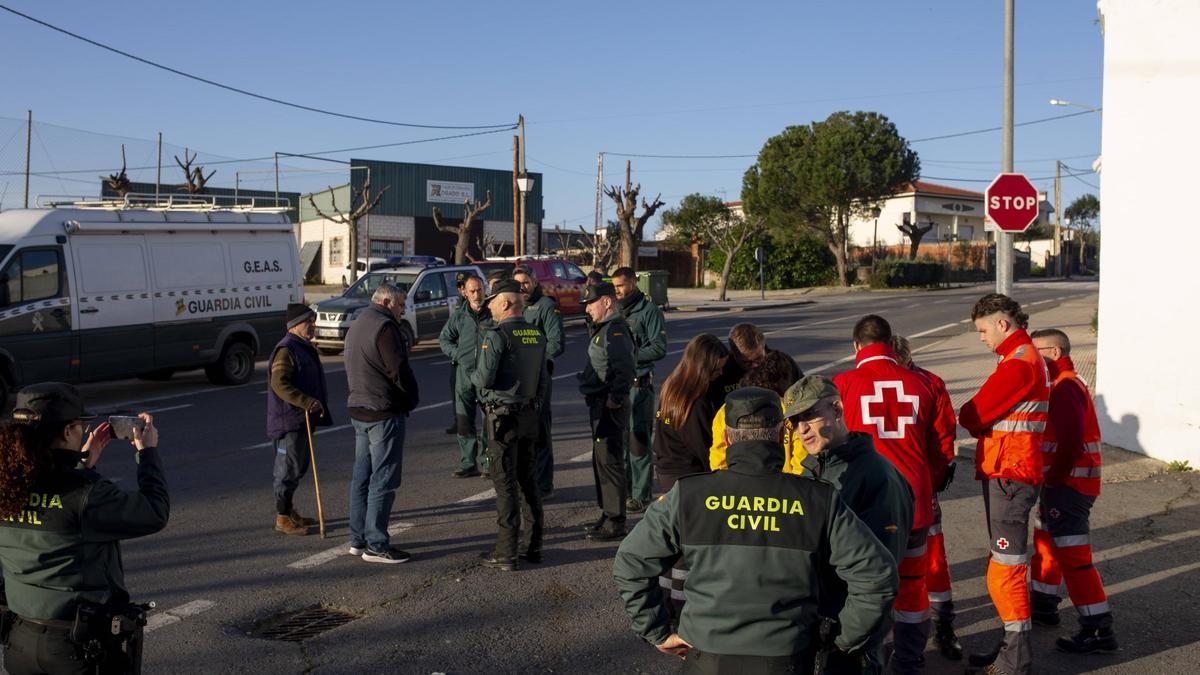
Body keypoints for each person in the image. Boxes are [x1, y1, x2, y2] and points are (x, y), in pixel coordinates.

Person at [613, 387, 898, 674]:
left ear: (726, 437)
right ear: (779, 436)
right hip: (787, 659)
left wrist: (656, 631)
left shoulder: (688, 494)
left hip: (707, 659)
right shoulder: (817, 499)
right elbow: (877, 574)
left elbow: (631, 561)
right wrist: (843, 638)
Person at [0, 384, 168, 674]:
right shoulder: (87, 494)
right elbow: (154, 512)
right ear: (67, 432)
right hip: (78, 649)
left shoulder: (8, 485)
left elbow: (51, 499)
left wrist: (80, 467)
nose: (81, 433)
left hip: (21, 643)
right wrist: (147, 453)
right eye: (79, 426)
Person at [783, 375, 915, 674]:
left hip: (849, 640)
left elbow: (879, 577)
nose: (801, 429)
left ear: (837, 409)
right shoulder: (810, 473)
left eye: (810, 416)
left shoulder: (879, 478)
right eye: (795, 421)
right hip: (817, 631)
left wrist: (846, 641)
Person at [831, 315, 939, 674]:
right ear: (892, 345)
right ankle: (910, 660)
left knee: (863, 586)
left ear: (856, 347)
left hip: (862, 507)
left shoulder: (843, 384)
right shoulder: (924, 384)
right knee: (912, 584)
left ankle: (867, 658)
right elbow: (941, 449)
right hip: (915, 504)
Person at [958, 293, 1049, 675]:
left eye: (982, 330)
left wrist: (968, 414)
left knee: (1006, 567)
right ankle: (1008, 649)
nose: (980, 338)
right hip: (1012, 470)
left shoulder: (1017, 365)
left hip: (1009, 473)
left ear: (1002, 323)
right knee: (1004, 563)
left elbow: (972, 414)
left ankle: (1014, 660)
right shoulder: (1023, 358)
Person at [1028, 328, 1117, 654]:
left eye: (1036, 352)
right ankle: (1044, 603)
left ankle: (1097, 629)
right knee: (1048, 544)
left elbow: (1069, 442)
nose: (1031, 358)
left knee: (1074, 559)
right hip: (1063, 485)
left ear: (1052, 352)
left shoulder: (1064, 388)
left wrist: (1053, 479)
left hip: (1067, 486)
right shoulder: (1065, 383)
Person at [891, 335, 964, 661]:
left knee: (928, 559)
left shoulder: (928, 383)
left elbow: (943, 438)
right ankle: (938, 626)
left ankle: (942, 624)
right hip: (918, 488)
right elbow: (944, 441)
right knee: (929, 558)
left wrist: (931, 482)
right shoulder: (929, 383)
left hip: (899, 490)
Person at [471, 279, 547, 571]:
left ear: (504, 303)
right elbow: (543, 380)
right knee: (530, 482)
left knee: (505, 485)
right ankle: (534, 545)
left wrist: (475, 375)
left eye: (492, 300)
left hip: (502, 420)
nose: (488, 305)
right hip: (529, 415)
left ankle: (506, 551)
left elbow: (484, 379)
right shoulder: (536, 334)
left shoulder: (498, 335)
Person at [652, 334, 728, 622]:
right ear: (702, 367)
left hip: (669, 473)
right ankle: (680, 609)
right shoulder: (696, 403)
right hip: (689, 477)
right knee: (688, 547)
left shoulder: (673, 387)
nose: (721, 375)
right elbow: (707, 450)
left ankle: (667, 602)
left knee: (674, 544)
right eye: (717, 369)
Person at [344, 282, 420, 564]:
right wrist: (411, 398)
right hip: (382, 412)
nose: (403, 310)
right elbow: (398, 369)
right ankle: (376, 543)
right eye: (401, 305)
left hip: (359, 408)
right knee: (383, 479)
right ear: (387, 302)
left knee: (361, 477)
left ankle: (358, 538)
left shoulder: (359, 322)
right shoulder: (385, 328)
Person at [267, 303, 333, 537]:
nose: (313, 325)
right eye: (309, 321)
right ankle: (282, 516)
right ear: (295, 326)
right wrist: (306, 401)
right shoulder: (286, 349)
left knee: (299, 466)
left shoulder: (301, 346)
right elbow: (279, 383)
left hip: (302, 420)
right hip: (290, 421)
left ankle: (289, 510)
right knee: (287, 469)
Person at [577, 281, 636, 541]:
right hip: (599, 403)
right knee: (601, 461)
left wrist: (616, 397)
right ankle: (607, 513)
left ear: (607, 301)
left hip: (608, 405)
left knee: (610, 462)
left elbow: (624, 369)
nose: (587, 308)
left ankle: (616, 521)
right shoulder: (604, 329)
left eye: (591, 303)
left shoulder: (615, 331)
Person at [611, 267, 668, 514]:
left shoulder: (650, 311)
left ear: (634, 283)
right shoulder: (616, 311)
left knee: (638, 441)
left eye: (621, 286)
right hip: (618, 387)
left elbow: (658, 347)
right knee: (620, 443)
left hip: (639, 386)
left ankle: (641, 495)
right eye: (614, 287)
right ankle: (625, 491)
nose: (617, 291)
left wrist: (630, 357)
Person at [512, 265, 565, 499]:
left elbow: (556, 343)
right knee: (521, 433)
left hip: (538, 379)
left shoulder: (546, 307)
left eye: (525, 282)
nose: (521, 287)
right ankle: (527, 481)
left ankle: (544, 484)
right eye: (518, 284)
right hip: (518, 381)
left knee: (540, 432)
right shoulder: (515, 307)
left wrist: (537, 362)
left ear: (534, 282)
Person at [709, 350, 806, 474]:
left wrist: (728, 486)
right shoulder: (790, 410)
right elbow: (802, 462)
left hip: (735, 487)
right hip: (782, 487)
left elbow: (719, 459)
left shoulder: (727, 410)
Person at [439, 274, 493, 478]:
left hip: (488, 377)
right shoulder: (459, 316)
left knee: (490, 421)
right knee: (464, 421)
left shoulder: (492, 313)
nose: (477, 294)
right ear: (465, 292)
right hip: (464, 376)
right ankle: (468, 462)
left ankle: (488, 462)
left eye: (479, 290)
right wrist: (457, 354)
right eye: (472, 291)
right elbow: (444, 339)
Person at [715, 323, 802, 397]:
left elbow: (803, 389)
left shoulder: (781, 363)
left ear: (763, 346)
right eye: (746, 362)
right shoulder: (721, 371)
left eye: (758, 358)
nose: (754, 365)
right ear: (734, 355)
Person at [445, 271, 472, 435]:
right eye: (460, 286)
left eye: (464, 285)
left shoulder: (480, 306)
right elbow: (448, 334)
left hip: (474, 359)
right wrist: (456, 352)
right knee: (456, 392)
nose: (462, 289)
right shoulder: (458, 306)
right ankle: (459, 421)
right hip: (459, 360)